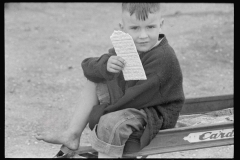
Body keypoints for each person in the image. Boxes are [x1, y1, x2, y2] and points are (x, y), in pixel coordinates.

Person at [35, 3, 185, 158]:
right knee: (97, 77)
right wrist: (106, 65)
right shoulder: (128, 47)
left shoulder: (164, 57)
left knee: (109, 123)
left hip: (155, 113)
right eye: (135, 28)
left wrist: (101, 114)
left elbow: (136, 99)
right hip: (134, 105)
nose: (143, 35)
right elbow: (88, 67)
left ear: (160, 25)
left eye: (150, 27)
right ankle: (72, 134)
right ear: (123, 28)